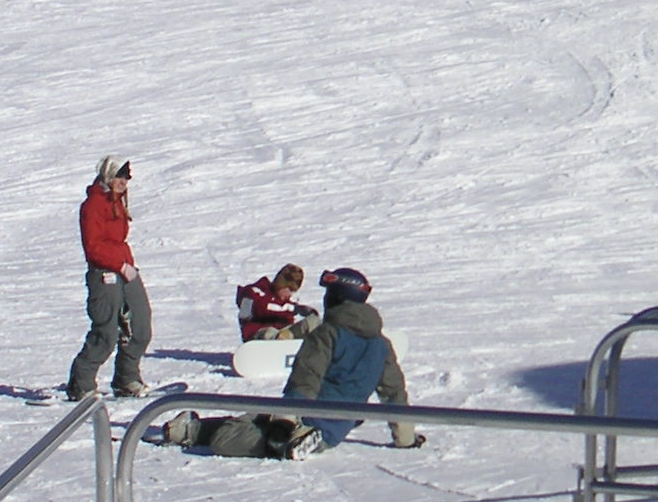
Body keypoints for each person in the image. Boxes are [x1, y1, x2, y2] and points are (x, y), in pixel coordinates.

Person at [164, 266, 425, 457]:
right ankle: (191, 428)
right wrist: (405, 438)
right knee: (255, 417)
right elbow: (395, 394)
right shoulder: (381, 345)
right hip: (335, 431)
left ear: (336, 298)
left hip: (302, 422)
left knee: (227, 436)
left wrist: (284, 423)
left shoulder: (328, 334)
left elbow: (305, 379)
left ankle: (190, 431)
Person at [64, 157, 152, 401]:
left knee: (140, 326)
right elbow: (93, 247)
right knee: (106, 332)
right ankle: (81, 383)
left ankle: (126, 379)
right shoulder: (93, 205)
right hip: (105, 274)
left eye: (126, 178)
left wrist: (126, 265)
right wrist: (119, 265)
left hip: (125, 270)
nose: (123, 182)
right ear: (108, 176)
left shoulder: (117, 202)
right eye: (118, 177)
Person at [236, 261, 320, 340]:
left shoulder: (286, 303)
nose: (290, 294)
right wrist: (294, 309)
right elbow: (262, 307)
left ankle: (292, 339)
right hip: (258, 334)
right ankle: (283, 339)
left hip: (284, 332)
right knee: (270, 332)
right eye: (289, 289)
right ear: (281, 284)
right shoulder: (254, 291)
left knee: (314, 322)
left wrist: (309, 313)